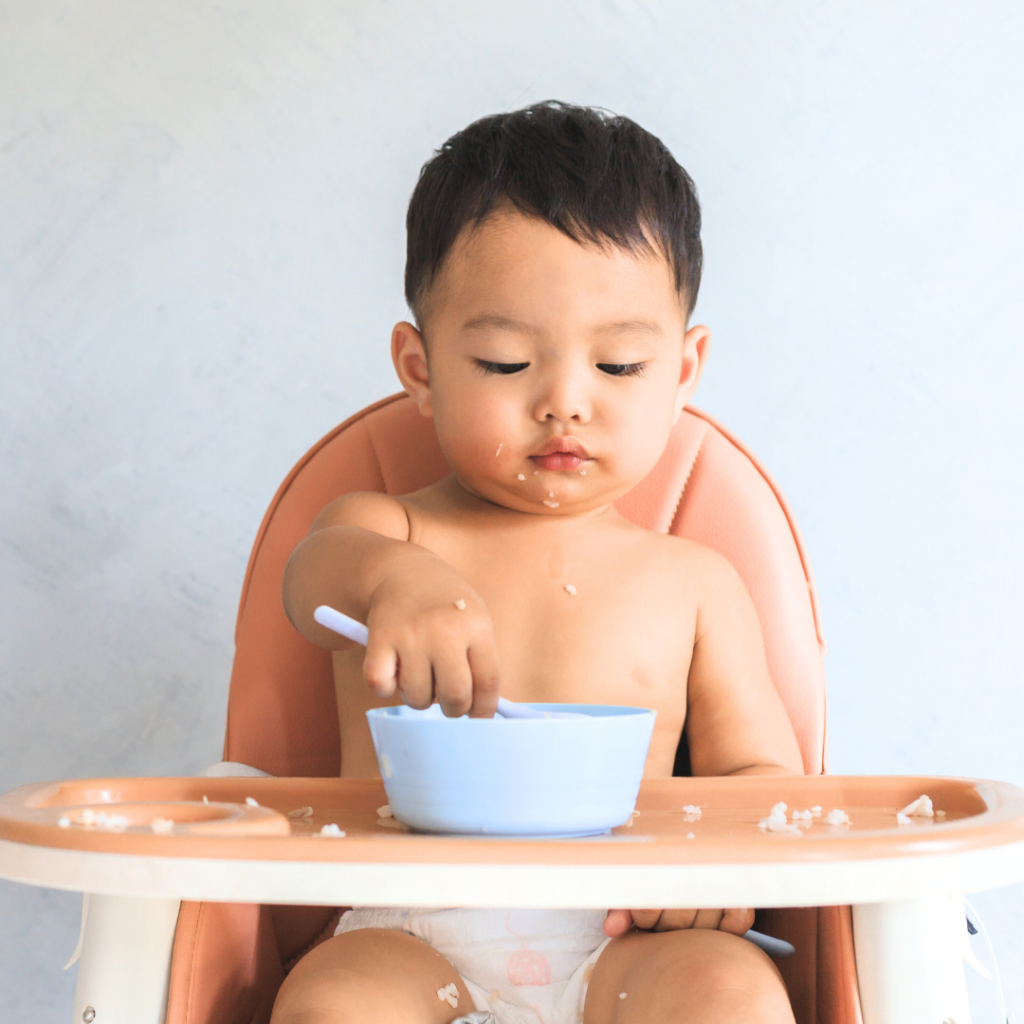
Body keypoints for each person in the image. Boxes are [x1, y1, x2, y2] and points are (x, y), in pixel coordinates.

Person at [273, 102, 802, 1024]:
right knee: (334, 1000)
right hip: (409, 930)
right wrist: (393, 581)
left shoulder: (694, 585)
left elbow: (765, 783)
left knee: (733, 995)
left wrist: (714, 876)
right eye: (506, 362)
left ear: (683, 369)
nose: (564, 402)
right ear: (422, 364)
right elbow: (311, 582)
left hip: (629, 937)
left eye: (622, 367)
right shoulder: (385, 533)